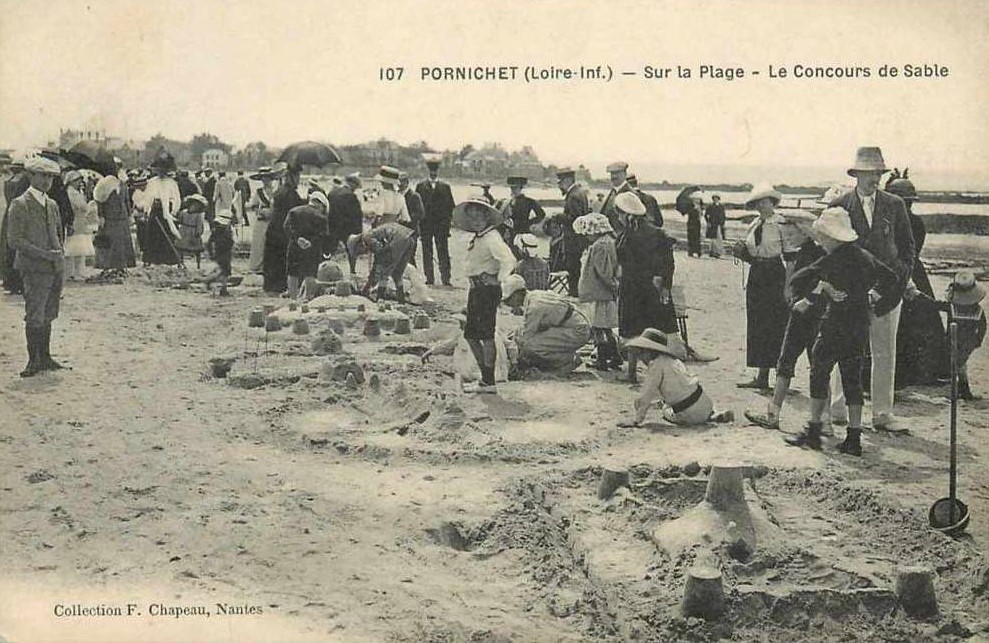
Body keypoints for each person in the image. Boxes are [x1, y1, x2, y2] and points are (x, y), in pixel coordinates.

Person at [784, 207, 899, 456]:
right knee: (852, 380)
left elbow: (798, 279)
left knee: (819, 371)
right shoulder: (865, 256)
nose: (821, 242)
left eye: (824, 237)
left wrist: (820, 287)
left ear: (833, 237)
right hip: (859, 325)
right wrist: (871, 296)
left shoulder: (831, 259)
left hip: (834, 324)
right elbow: (891, 277)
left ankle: (814, 431)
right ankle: (853, 437)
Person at [828, 147, 915, 431]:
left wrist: (896, 284)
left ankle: (882, 414)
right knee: (845, 348)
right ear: (856, 174)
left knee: (884, 353)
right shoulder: (840, 205)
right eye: (868, 173)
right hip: (851, 293)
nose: (874, 178)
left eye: (878, 173)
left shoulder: (895, 205)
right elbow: (831, 251)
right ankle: (838, 409)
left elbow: (907, 249)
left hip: (888, 294)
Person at [744, 210, 827, 431]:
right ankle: (818, 421)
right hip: (806, 313)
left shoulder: (815, 254)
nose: (788, 240)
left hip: (809, 313)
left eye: (791, 235)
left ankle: (780, 416)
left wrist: (806, 299)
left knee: (796, 362)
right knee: (800, 363)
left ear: (805, 232)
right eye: (786, 235)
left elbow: (824, 279)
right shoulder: (810, 251)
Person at [6, 156, 67, 377]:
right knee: (35, 314)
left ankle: (46, 356)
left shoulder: (51, 204)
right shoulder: (20, 204)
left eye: (50, 177)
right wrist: (44, 254)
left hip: (54, 267)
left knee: (49, 312)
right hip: (33, 268)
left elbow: (59, 233)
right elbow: (15, 240)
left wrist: (59, 254)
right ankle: (33, 360)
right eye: (42, 175)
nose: (47, 181)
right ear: (31, 176)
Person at [886, 173, 948, 387]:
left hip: (909, 269)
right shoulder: (887, 221)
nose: (906, 206)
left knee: (921, 318)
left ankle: (927, 371)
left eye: (908, 202)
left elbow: (910, 252)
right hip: (896, 270)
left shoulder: (913, 223)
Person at [615, 191, 677, 381]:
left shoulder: (626, 236)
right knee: (653, 332)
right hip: (652, 288)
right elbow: (669, 263)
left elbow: (622, 261)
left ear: (626, 214)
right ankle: (655, 374)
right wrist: (665, 284)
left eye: (618, 214)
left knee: (632, 331)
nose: (618, 218)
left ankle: (634, 373)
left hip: (633, 289)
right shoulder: (657, 233)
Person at [734, 184, 791, 390]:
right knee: (757, 323)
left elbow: (790, 256)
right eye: (758, 202)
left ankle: (780, 377)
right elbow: (753, 253)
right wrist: (742, 254)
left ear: (773, 202)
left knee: (775, 323)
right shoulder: (754, 224)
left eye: (765, 201)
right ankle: (761, 375)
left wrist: (788, 284)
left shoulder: (781, 223)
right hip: (757, 274)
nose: (761, 205)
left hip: (775, 274)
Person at [617, 328, 735, 427]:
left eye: (642, 352)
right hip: (706, 403)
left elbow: (646, 395)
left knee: (666, 411)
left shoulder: (655, 366)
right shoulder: (675, 361)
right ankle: (714, 416)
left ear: (650, 351)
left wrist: (637, 420)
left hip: (688, 413)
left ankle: (666, 406)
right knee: (680, 394)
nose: (641, 357)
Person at [458, 199, 518, 393]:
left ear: (487, 217)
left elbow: (509, 260)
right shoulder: (479, 237)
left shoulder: (492, 237)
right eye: (472, 218)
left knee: (485, 335)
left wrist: (498, 279)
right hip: (476, 289)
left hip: (486, 290)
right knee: (471, 335)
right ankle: (485, 377)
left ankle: (488, 381)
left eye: (479, 217)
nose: (475, 221)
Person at [909, 270, 986, 401]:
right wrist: (977, 341)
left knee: (955, 366)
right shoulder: (978, 311)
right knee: (960, 366)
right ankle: (964, 392)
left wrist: (918, 295)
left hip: (952, 341)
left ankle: (959, 392)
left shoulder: (951, 307)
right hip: (968, 344)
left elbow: (933, 304)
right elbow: (983, 327)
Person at [501, 274, 591, 374]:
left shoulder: (534, 307)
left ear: (517, 294)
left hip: (577, 331)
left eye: (509, 299)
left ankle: (567, 360)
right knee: (525, 339)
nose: (508, 304)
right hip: (575, 324)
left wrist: (514, 354)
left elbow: (526, 337)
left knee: (531, 346)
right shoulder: (534, 295)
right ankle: (564, 356)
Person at [574, 212, 621, 371]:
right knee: (605, 327)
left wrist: (613, 286)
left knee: (598, 328)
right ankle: (615, 356)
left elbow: (603, 272)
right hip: (603, 293)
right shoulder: (609, 242)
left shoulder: (600, 246)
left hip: (598, 292)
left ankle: (602, 359)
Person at [347, 219, 416, 302]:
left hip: (397, 239)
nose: (363, 253)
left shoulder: (368, 238)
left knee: (384, 270)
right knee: (398, 272)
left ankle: (380, 298)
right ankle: (401, 299)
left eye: (359, 252)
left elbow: (380, 259)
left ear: (358, 244)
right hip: (408, 236)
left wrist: (368, 286)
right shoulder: (370, 236)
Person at [263, 163, 305, 294]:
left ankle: (271, 286)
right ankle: (281, 286)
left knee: (273, 259)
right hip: (283, 231)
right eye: (297, 176)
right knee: (282, 259)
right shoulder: (290, 193)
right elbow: (294, 212)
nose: (298, 180)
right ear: (292, 177)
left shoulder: (280, 191)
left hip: (273, 229)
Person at [138, 149, 183, 266]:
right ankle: (151, 260)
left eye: (163, 170)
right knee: (152, 235)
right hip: (154, 212)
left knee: (167, 235)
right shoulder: (152, 182)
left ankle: (168, 260)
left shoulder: (172, 183)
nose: (161, 172)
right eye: (159, 170)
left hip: (167, 213)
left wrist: (173, 211)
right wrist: (147, 210)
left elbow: (177, 199)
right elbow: (147, 197)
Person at [284, 190, 329, 300]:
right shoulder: (321, 218)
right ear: (321, 205)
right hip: (312, 249)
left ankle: (293, 299)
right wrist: (311, 242)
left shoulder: (294, 211)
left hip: (294, 245)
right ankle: (308, 298)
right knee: (310, 273)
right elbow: (324, 235)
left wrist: (298, 238)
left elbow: (286, 227)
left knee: (292, 273)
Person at [417, 159, 456, 286]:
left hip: (441, 226)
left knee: (443, 251)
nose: (433, 173)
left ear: (437, 172)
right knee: (427, 252)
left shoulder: (445, 187)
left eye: (435, 171)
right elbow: (418, 206)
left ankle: (446, 278)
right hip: (426, 225)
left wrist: (447, 223)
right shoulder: (421, 186)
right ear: (428, 171)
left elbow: (451, 207)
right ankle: (429, 278)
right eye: (431, 171)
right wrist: (419, 223)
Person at [555, 167, 591, 297]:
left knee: (573, 270)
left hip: (573, 242)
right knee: (577, 271)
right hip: (580, 241)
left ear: (568, 180)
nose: (559, 186)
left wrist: (559, 217)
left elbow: (576, 220)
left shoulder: (573, 196)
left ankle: (574, 296)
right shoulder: (580, 192)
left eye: (560, 182)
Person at [2, 160, 30, 294]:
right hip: (19, 215)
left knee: (9, 248)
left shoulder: (10, 180)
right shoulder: (24, 180)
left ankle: (10, 282)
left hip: (9, 213)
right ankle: (18, 282)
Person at [328, 172, 364, 275]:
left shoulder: (332, 193)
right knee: (352, 251)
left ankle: (326, 270)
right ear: (352, 184)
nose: (355, 189)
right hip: (348, 229)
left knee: (330, 250)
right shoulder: (351, 196)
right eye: (356, 186)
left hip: (333, 227)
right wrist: (359, 232)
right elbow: (357, 216)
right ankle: (352, 271)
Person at [62, 170, 96, 280]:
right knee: (75, 248)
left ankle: (76, 272)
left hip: (80, 220)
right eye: (77, 181)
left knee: (78, 249)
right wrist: (89, 206)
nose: (79, 183)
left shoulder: (75, 192)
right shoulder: (72, 193)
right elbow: (83, 206)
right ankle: (74, 272)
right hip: (76, 220)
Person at [245, 166, 277, 274]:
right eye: (263, 178)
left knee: (272, 243)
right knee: (259, 243)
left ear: (271, 178)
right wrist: (261, 212)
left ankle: (270, 266)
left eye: (267, 178)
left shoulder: (276, 191)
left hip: (273, 221)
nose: (265, 180)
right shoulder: (259, 192)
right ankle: (257, 267)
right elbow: (253, 206)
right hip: (262, 220)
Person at [202, 208, 235, 296]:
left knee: (223, 271)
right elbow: (230, 242)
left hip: (218, 252)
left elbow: (209, 242)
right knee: (225, 271)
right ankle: (221, 287)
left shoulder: (215, 231)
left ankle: (219, 286)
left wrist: (211, 253)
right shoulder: (226, 232)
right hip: (224, 253)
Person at [598, 161, 633, 234]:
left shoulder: (630, 194)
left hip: (624, 239)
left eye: (617, 173)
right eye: (612, 174)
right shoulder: (613, 192)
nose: (613, 177)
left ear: (625, 174)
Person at [399, 171, 424, 266]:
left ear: (406, 182)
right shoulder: (397, 195)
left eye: (401, 182)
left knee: (410, 256)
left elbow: (421, 213)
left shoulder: (415, 196)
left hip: (411, 230)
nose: (400, 185)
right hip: (399, 231)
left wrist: (406, 218)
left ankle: (414, 278)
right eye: (398, 182)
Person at [174, 194, 207, 266]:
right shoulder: (183, 212)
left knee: (196, 249)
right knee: (180, 247)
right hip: (184, 231)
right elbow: (180, 220)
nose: (194, 207)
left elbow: (200, 225)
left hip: (193, 232)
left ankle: (198, 264)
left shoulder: (198, 215)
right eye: (193, 205)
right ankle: (180, 262)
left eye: (196, 206)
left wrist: (198, 233)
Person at [677, 187, 704, 258]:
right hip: (691, 222)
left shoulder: (698, 204)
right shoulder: (689, 204)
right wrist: (693, 209)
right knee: (692, 236)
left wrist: (699, 211)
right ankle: (692, 251)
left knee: (696, 236)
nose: (696, 201)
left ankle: (697, 251)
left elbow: (701, 212)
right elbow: (686, 212)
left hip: (696, 222)